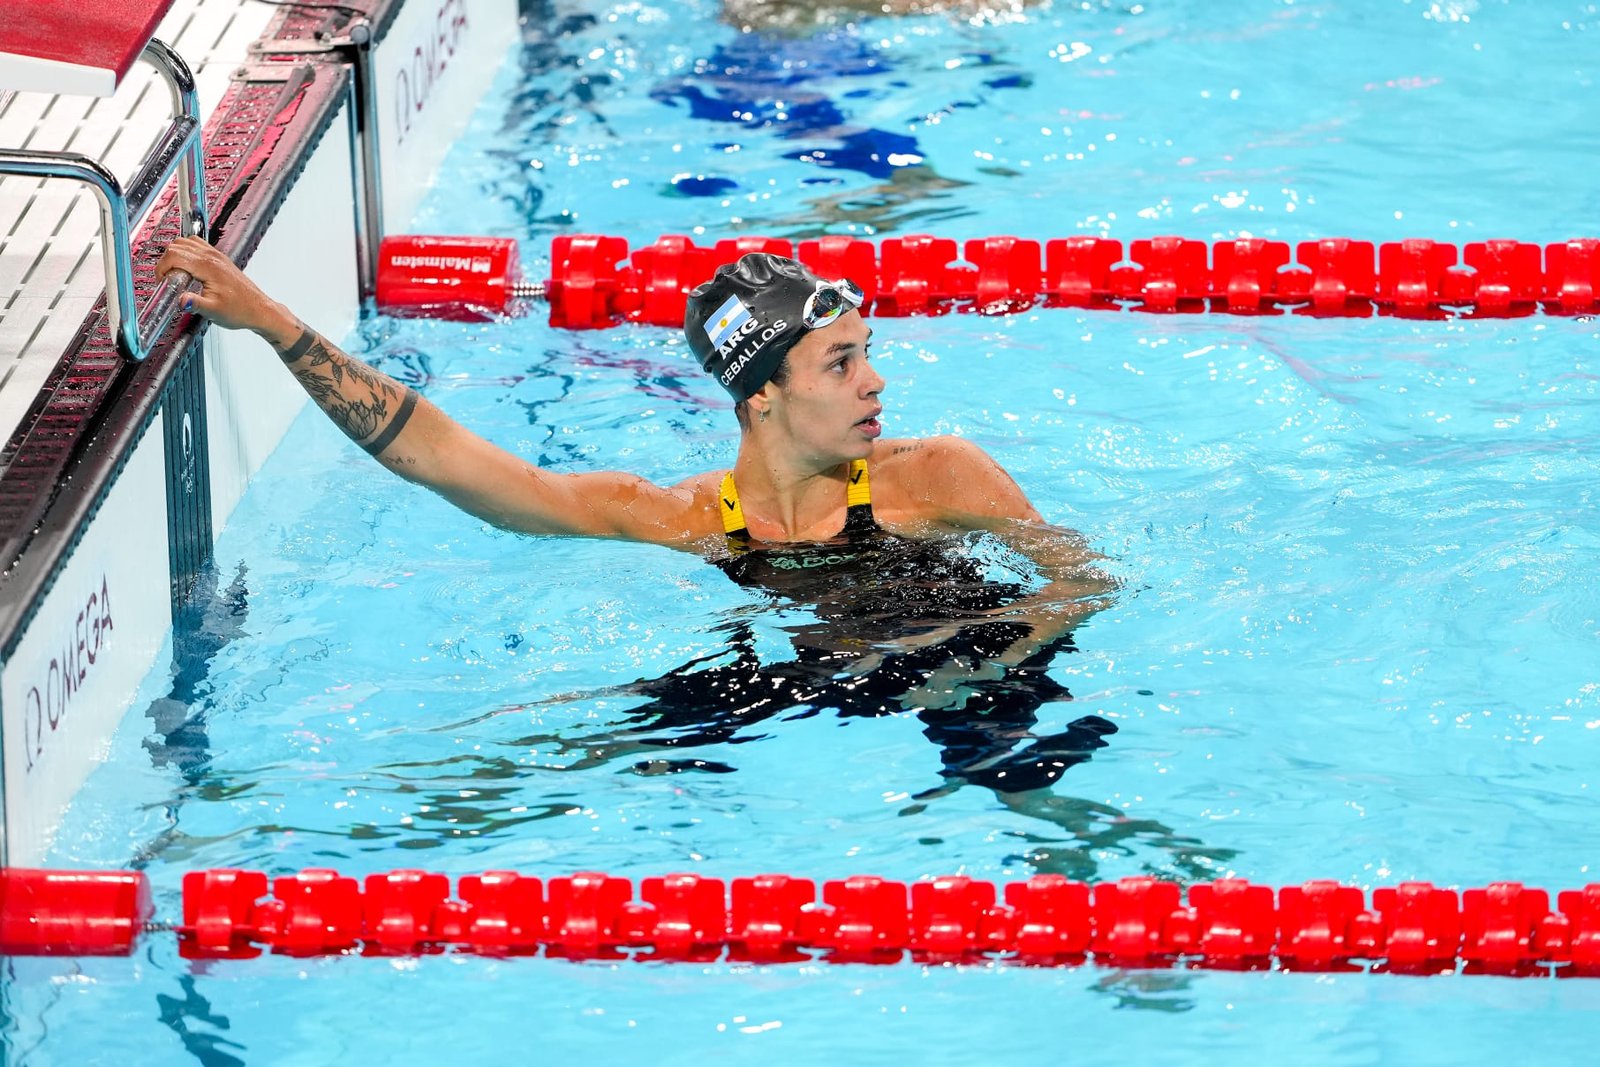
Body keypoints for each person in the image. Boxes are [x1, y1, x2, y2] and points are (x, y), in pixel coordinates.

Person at [156, 236, 1118, 795]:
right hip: (798, 681)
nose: (876, 381)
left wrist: (974, 656)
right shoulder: (685, 516)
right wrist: (274, 322)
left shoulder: (939, 476)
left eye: (866, 351)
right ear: (762, 397)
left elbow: (1085, 582)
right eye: (841, 363)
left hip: (968, 672)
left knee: (1038, 793)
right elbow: (448, 460)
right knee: (565, 755)